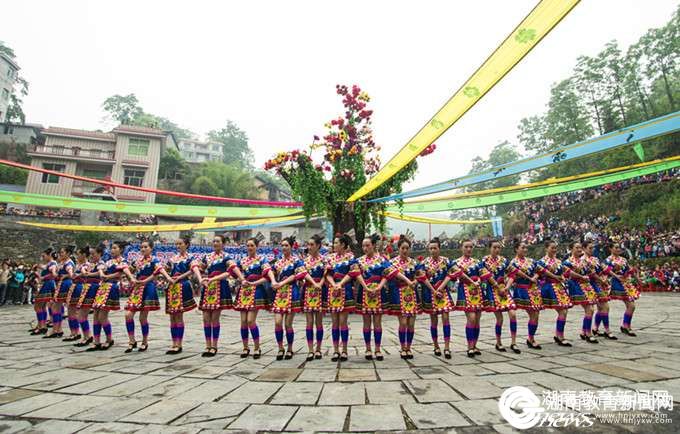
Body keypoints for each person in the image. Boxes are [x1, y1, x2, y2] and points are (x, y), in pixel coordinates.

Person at [350, 233, 407, 361]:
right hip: (364, 293)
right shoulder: (358, 261)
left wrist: (379, 287)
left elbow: (388, 274)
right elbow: (355, 275)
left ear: (374, 246)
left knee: (377, 322)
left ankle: (377, 349)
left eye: (367, 245)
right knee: (366, 323)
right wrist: (365, 287)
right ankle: (368, 349)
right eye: (363, 246)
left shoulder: (382, 260)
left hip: (379, 293)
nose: (365, 248)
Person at [191, 234, 244, 357]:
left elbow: (232, 270)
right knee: (205, 318)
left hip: (219, 287)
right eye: (214, 241)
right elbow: (198, 268)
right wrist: (200, 278)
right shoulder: (207, 257)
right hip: (208, 287)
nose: (215, 243)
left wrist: (241, 279)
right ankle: (207, 345)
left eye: (218, 241)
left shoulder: (226, 256)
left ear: (223, 243)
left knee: (214, 318)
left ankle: (214, 346)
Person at [124, 239, 170, 353]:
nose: (143, 249)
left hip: (148, 287)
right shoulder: (137, 260)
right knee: (128, 315)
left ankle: (144, 341)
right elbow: (128, 270)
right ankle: (132, 340)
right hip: (137, 288)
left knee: (142, 317)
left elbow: (158, 271)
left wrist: (146, 281)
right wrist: (132, 278)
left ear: (151, 248)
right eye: (142, 247)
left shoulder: (155, 260)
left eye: (145, 247)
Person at [87, 241, 134, 351]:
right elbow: (101, 271)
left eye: (115, 248)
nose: (112, 250)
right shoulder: (108, 261)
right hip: (102, 287)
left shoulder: (122, 261)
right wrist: (102, 274)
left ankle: (109, 339)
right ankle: (97, 341)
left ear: (121, 250)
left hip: (112, 286)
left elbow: (120, 274)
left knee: (102, 316)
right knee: (96, 315)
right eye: (111, 248)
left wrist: (106, 276)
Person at [453, 239, 495, 358]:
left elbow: (485, 275)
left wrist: (481, 280)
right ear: (461, 248)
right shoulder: (456, 262)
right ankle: (469, 346)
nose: (469, 249)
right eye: (466, 247)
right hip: (465, 291)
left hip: (478, 291)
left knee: (477, 319)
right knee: (471, 318)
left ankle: (475, 344)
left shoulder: (477, 262)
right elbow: (454, 276)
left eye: (471, 247)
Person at [416, 237, 456, 358]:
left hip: (443, 293)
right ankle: (436, 346)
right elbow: (423, 278)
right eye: (431, 248)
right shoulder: (424, 263)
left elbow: (452, 273)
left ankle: (447, 347)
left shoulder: (446, 261)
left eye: (435, 248)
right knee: (433, 320)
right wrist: (434, 291)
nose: (433, 250)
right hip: (430, 293)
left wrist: (441, 288)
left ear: (439, 248)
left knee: (445, 318)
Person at [234, 237, 273, 359]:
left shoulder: (262, 259)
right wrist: (241, 281)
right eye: (248, 245)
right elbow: (236, 273)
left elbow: (267, 277)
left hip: (256, 290)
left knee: (251, 320)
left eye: (252, 245)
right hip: (244, 291)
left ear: (257, 247)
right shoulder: (243, 260)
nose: (249, 248)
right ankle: (245, 348)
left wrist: (254, 283)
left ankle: (257, 347)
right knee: (243, 322)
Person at [481, 240, 520, 354]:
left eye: (498, 247)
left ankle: (513, 342)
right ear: (490, 248)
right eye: (494, 247)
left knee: (513, 314)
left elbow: (513, 273)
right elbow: (486, 275)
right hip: (493, 290)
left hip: (504, 289)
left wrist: (507, 287)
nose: (497, 250)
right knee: (500, 318)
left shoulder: (503, 260)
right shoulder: (484, 261)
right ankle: (498, 342)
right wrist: (498, 287)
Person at [271, 236, 305, 360]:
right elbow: (271, 274)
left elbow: (298, 275)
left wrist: (281, 283)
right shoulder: (278, 262)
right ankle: (280, 348)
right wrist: (274, 281)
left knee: (288, 324)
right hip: (280, 294)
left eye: (286, 245)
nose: (284, 248)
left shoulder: (297, 261)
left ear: (291, 247)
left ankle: (290, 348)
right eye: (282, 245)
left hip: (292, 292)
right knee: (277, 322)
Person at [388, 236, 420, 359]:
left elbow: (420, 275)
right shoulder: (392, 263)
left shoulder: (414, 262)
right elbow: (390, 277)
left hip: (412, 293)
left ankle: (409, 347)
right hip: (399, 293)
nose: (405, 250)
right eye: (403, 248)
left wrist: (415, 282)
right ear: (399, 249)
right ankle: (402, 347)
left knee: (411, 323)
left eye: (407, 248)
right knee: (402, 322)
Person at [325, 234, 356, 362]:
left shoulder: (350, 257)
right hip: (333, 291)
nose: (334, 245)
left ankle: (344, 350)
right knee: (334, 322)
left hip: (345, 290)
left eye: (336, 243)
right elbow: (327, 274)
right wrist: (333, 284)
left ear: (343, 245)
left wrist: (341, 284)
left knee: (343, 321)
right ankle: (336, 350)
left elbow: (352, 273)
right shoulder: (330, 258)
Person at [537, 240, 574, 347]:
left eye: (555, 248)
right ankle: (559, 336)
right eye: (552, 248)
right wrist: (555, 277)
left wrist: (562, 277)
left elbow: (563, 272)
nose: (554, 250)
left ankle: (559, 335)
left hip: (558, 287)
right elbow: (542, 273)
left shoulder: (558, 261)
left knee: (564, 311)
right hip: (548, 287)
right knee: (562, 311)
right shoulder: (542, 261)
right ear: (546, 248)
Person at [165, 236, 197, 355]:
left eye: (180, 244)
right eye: (177, 244)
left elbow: (192, 270)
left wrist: (180, 277)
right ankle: (174, 343)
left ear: (186, 245)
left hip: (182, 285)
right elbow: (166, 269)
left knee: (178, 316)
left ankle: (179, 343)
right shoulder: (173, 258)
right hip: (172, 286)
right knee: (172, 317)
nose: (178, 246)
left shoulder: (190, 258)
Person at [508, 241, 543, 349]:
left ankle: (530, 338)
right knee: (530, 313)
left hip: (533, 290)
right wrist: (529, 278)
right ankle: (515, 341)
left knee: (536, 314)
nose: (525, 250)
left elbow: (539, 271)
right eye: (522, 247)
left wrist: (535, 278)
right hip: (521, 289)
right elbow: (513, 275)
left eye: (526, 248)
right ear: (516, 249)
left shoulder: (531, 261)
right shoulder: (513, 263)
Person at [583, 241, 616, 340]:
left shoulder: (595, 259)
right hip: (587, 285)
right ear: (584, 248)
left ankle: (602, 329)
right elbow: (591, 273)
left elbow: (604, 268)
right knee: (590, 309)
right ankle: (586, 331)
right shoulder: (582, 260)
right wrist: (602, 280)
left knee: (604, 307)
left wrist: (607, 276)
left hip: (598, 284)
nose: (592, 249)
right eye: (590, 248)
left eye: (593, 248)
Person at [301, 235, 327, 361]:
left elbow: (326, 275)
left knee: (319, 322)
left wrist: (320, 284)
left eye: (312, 245)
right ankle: (310, 349)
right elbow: (303, 274)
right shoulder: (305, 261)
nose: (309, 247)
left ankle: (319, 349)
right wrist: (313, 283)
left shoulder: (324, 260)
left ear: (318, 246)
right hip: (308, 290)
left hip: (320, 291)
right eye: (308, 244)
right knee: (309, 322)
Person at [605, 243, 640, 336]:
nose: (618, 249)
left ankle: (626, 325)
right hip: (616, 283)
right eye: (616, 247)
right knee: (603, 306)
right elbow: (607, 270)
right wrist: (616, 276)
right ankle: (625, 326)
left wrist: (638, 279)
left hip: (625, 282)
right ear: (610, 249)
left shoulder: (623, 259)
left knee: (631, 306)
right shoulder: (608, 259)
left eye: (619, 247)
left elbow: (630, 270)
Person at [64, 246, 91, 344]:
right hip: (74, 287)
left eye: (78, 254)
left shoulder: (87, 264)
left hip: (81, 287)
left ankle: (86, 335)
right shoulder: (77, 265)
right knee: (70, 310)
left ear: (84, 255)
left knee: (79, 313)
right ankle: (74, 332)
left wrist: (79, 275)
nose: (77, 256)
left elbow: (86, 274)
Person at [48, 246, 76, 339]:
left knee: (56, 306)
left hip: (65, 284)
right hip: (62, 283)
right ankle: (57, 329)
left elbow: (71, 273)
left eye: (63, 252)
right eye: (60, 252)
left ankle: (57, 329)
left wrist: (66, 275)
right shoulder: (62, 262)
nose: (60, 254)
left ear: (68, 253)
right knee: (56, 306)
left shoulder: (68, 263)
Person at [30, 248, 58, 335]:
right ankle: (42, 325)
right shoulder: (50, 263)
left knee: (38, 305)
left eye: (44, 256)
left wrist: (42, 277)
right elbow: (44, 267)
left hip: (48, 284)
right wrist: (38, 266)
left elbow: (53, 273)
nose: (43, 258)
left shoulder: (53, 263)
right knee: (42, 306)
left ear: (49, 255)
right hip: (49, 284)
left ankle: (42, 326)